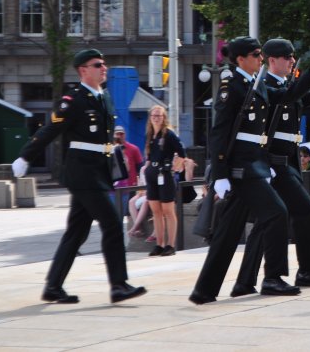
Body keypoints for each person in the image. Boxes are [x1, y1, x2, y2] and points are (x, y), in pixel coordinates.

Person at [189, 36, 310, 304]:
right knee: (277, 213)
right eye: (255, 54)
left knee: (228, 232)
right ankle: (272, 278)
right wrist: (220, 175)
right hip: (242, 166)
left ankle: (204, 290)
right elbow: (219, 133)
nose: (260, 58)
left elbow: (287, 95)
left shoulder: (254, 84)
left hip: (255, 163)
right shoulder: (233, 87)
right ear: (241, 59)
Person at [11, 49, 146, 304]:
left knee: (76, 232)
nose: (103, 68)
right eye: (98, 65)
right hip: (83, 172)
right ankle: (118, 285)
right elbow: (51, 129)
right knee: (113, 224)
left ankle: (53, 286)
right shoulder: (73, 101)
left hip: (99, 169)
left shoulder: (104, 96)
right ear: (83, 70)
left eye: (104, 64)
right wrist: (26, 156)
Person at [231, 38, 310, 296]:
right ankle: (279, 276)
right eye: (287, 57)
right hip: (272, 163)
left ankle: (248, 281)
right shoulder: (265, 86)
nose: (292, 61)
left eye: (292, 57)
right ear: (272, 60)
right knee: (302, 211)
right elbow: (289, 100)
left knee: (276, 220)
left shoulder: (286, 86)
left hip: (289, 162)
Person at [143, 105, 186, 257]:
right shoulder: (149, 135)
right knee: (156, 210)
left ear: (164, 118)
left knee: (168, 210)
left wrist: (176, 166)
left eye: (159, 116)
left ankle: (170, 244)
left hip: (165, 173)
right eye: (154, 115)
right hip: (152, 173)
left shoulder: (169, 134)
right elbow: (149, 156)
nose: (156, 118)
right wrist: (146, 168)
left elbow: (182, 152)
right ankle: (159, 244)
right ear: (150, 118)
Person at [113, 125, 143, 216]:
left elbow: (140, 167)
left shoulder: (133, 149)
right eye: (117, 134)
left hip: (129, 186)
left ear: (125, 135)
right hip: (113, 187)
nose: (119, 136)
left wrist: (140, 185)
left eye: (121, 134)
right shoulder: (109, 149)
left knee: (128, 212)